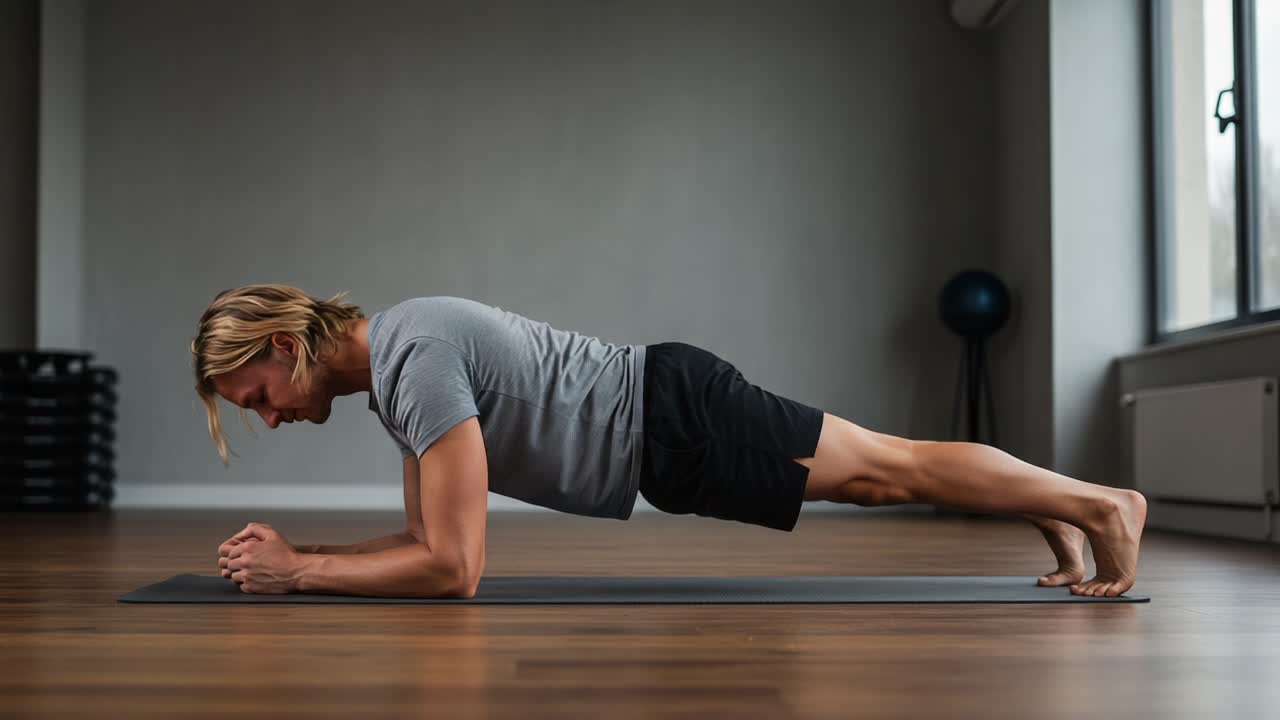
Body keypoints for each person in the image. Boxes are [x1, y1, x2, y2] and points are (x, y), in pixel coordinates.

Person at [192, 284, 1146, 599]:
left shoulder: (415, 358)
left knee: (887, 474)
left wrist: (300, 572)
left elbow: (454, 568)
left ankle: (1102, 506)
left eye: (259, 397)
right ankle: (1053, 508)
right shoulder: (398, 380)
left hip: (675, 419)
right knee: (886, 470)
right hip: (667, 434)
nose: (269, 417)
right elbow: (421, 545)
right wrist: (302, 554)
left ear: (284, 346)